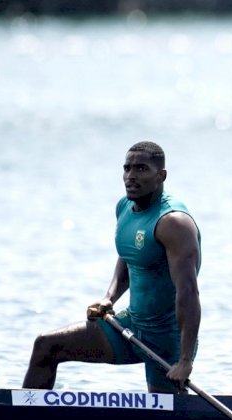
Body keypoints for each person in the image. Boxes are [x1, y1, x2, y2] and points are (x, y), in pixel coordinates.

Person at [23, 141, 201, 393]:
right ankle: (27, 417)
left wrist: (185, 361)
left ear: (161, 176)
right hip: (131, 325)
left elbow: (189, 293)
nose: (131, 176)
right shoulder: (124, 208)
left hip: (166, 341)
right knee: (46, 345)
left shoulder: (174, 224)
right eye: (127, 169)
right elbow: (130, 255)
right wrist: (109, 297)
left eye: (141, 169)